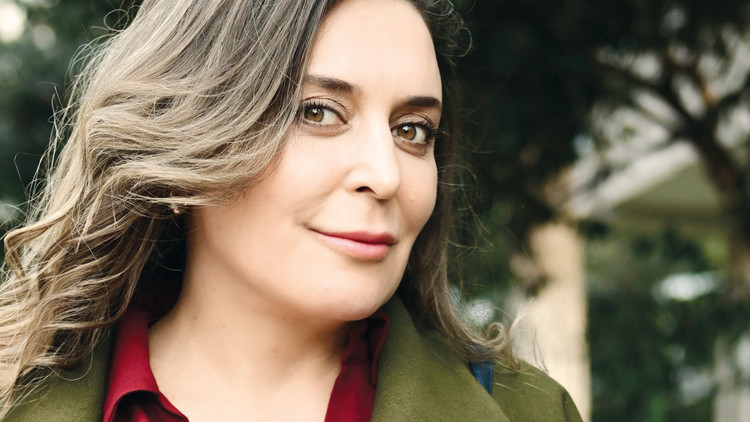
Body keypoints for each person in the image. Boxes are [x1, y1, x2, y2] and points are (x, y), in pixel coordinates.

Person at [0, 0, 583, 420]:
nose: (386, 176)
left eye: (412, 130)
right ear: (180, 143)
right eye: (318, 112)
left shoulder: (531, 411)